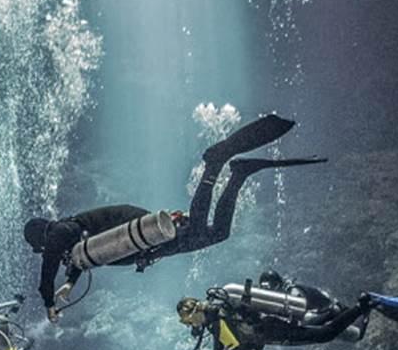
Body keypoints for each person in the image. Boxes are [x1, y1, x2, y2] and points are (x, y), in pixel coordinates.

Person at [24, 114, 325, 320]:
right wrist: (70, 283)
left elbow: (48, 270)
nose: (45, 251)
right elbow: (79, 257)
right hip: (147, 244)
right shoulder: (70, 234)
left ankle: (215, 165)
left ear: (42, 237)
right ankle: (238, 174)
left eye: (41, 247)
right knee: (217, 234)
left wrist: (49, 302)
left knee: (198, 232)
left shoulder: (60, 232)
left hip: (145, 236)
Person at [178, 273, 398, 350]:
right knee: (340, 332)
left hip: (276, 331)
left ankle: (364, 303)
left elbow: (230, 343)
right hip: (274, 328)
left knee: (326, 334)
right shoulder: (216, 315)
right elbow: (223, 342)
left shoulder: (216, 317)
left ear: (194, 312)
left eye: (188, 321)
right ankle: (353, 308)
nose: (190, 326)